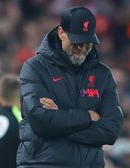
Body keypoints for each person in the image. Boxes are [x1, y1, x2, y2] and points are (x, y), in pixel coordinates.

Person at [17, 6, 124, 168]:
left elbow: (110, 131)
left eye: (87, 43)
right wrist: (87, 118)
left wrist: (60, 119)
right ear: (61, 33)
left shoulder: (102, 74)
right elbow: (40, 120)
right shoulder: (35, 67)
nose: (82, 49)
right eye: (76, 42)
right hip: (43, 163)